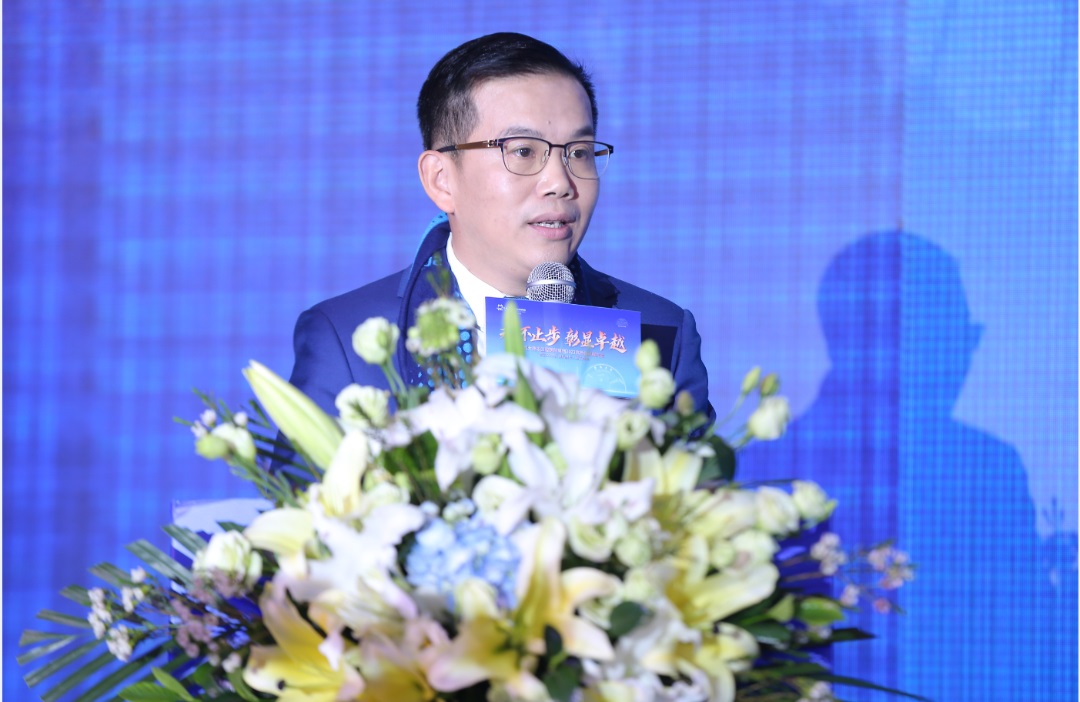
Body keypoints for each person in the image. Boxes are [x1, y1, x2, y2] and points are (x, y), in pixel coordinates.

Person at [285, 32, 714, 423]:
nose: (560, 182)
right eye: (524, 151)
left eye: (579, 152)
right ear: (441, 180)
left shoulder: (659, 333)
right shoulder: (346, 340)